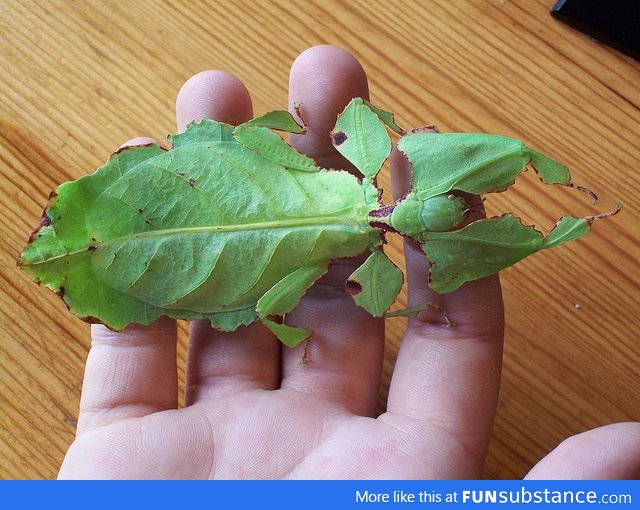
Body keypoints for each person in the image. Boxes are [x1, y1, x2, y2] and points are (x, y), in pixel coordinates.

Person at [57, 45, 640, 479]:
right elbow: (347, 303)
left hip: (192, 226)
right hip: (154, 231)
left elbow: (304, 141)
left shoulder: (363, 179)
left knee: (263, 292)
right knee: (267, 299)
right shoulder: (373, 267)